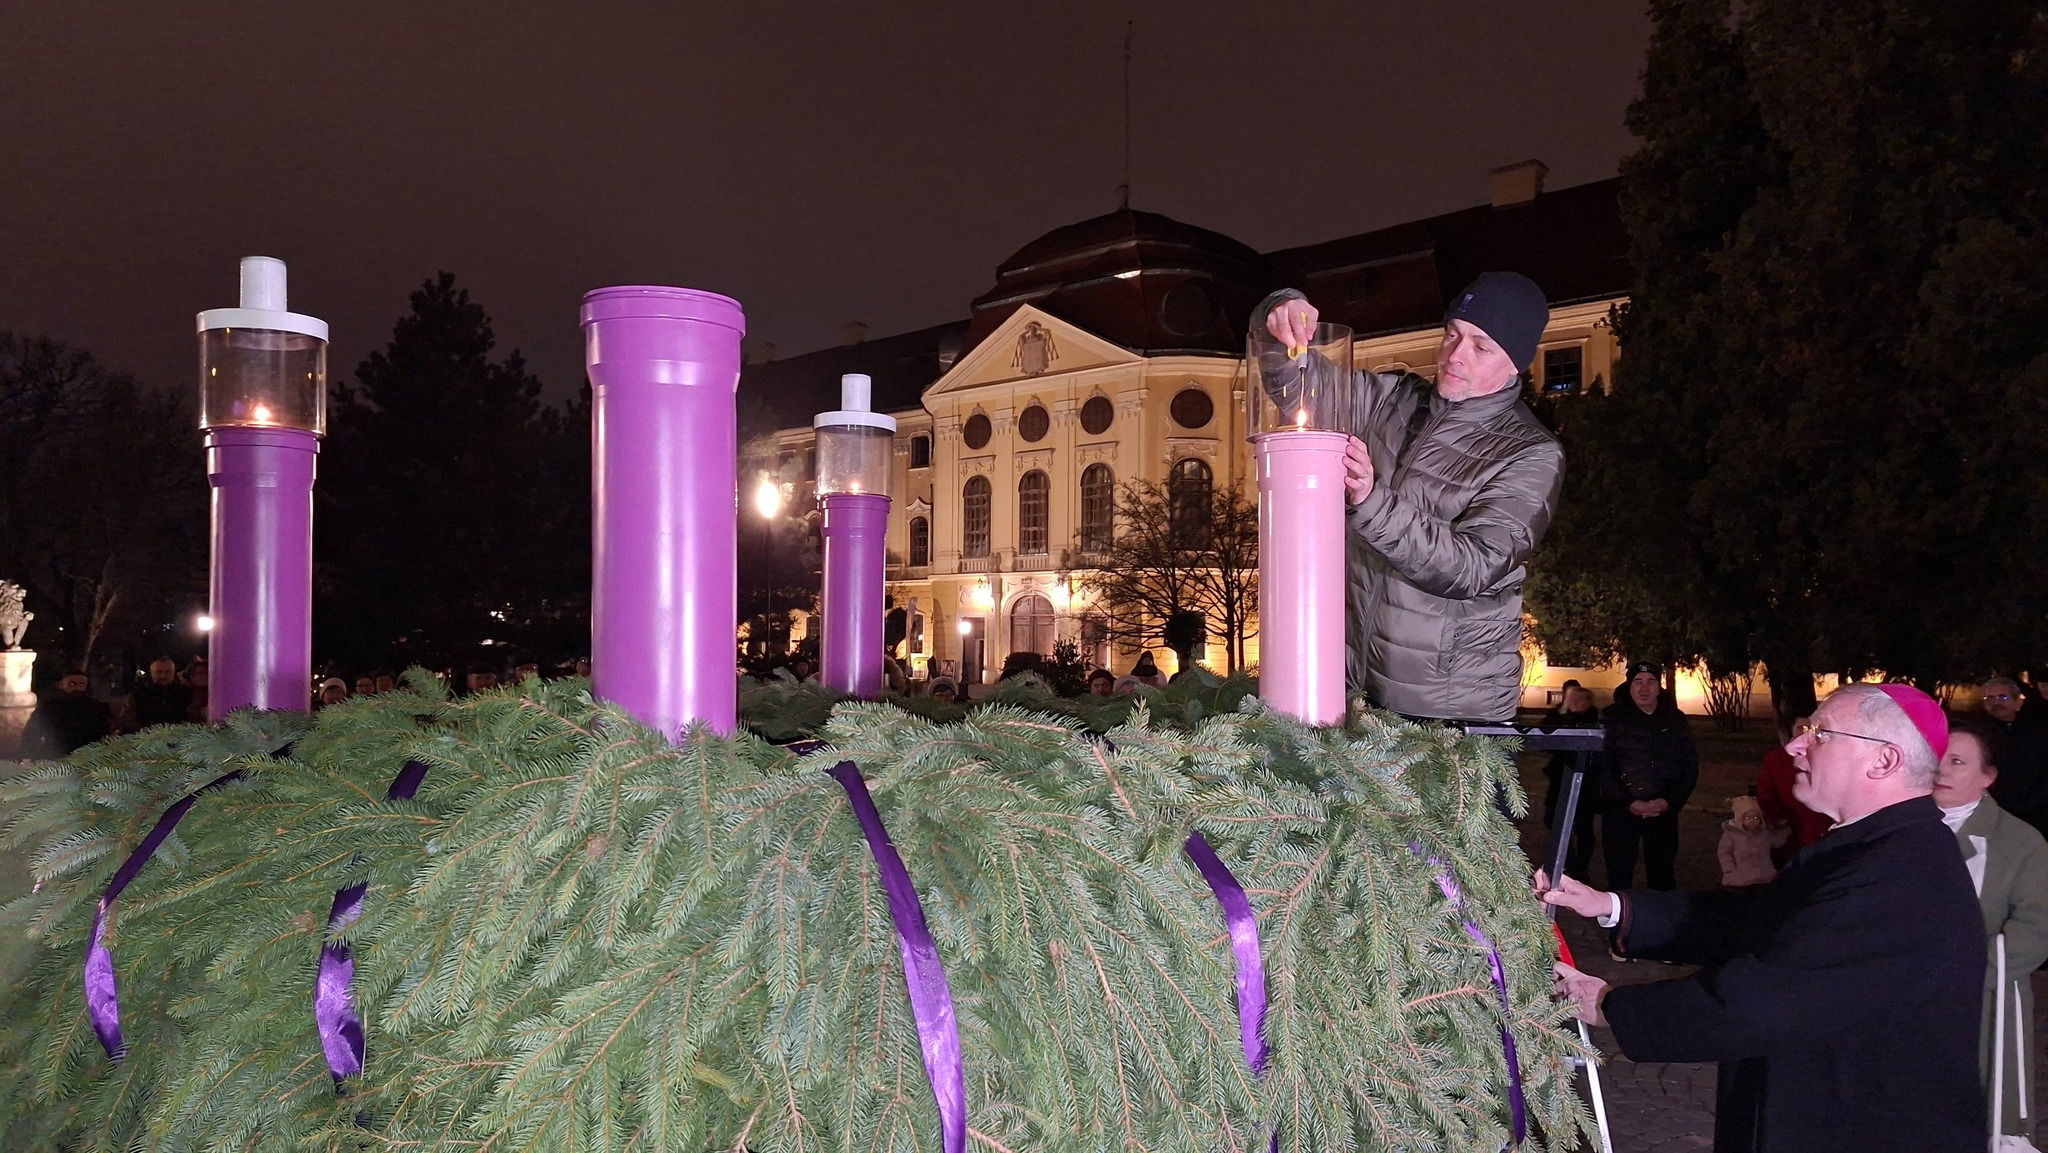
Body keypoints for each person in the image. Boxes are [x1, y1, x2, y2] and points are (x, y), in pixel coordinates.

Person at [1544, 683, 1986, 1153]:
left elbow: (1763, 1002)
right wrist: (1610, 905)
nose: (1795, 745)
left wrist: (1610, 1005)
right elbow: (1755, 921)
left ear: (1883, 760)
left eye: (1820, 733)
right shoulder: (1874, 845)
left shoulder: (1900, 871)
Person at [1256, 273, 1563, 722]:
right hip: (1355, 682)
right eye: (1453, 334)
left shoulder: (1530, 452)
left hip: (1447, 706)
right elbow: (1300, 386)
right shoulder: (1393, 399)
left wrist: (1371, 500)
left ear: (1514, 363)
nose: (1455, 355)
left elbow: (1471, 567)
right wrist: (1281, 318)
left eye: (1481, 347)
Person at [1934, 715, 2048, 1143]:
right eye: (1937, 757)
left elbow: (2037, 927)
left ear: (1989, 776)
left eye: (1957, 762)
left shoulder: (2021, 843)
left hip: (1984, 1002)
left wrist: (1965, 972)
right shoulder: (1899, 831)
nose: (1941, 770)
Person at [1597, 662, 1698, 890]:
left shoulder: (1675, 719)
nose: (1644, 688)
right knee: (1619, 874)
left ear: (1659, 687)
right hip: (1621, 812)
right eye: (1638, 682)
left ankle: (1660, 912)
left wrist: (1670, 801)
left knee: (1662, 875)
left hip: (1662, 811)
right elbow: (1603, 767)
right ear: (1629, 686)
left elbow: (1689, 765)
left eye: (1650, 681)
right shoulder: (1612, 718)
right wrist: (1627, 802)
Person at [1539, 682, 1601, 878]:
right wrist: (1564, 711)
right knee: (1553, 820)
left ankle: (1581, 868)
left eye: (1579, 699)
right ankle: (1571, 862)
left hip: (1586, 782)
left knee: (1583, 827)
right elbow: (1546, 736)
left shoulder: (1593, 718)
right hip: (1560, 779)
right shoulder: (1559, 716)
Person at [1754, 714, 1828, 867]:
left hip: (1823, 833)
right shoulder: (1777, 759)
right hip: (1791, 832)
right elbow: (1766, 793)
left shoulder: (1829, 757)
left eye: (1811, 728)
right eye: (1801, 728)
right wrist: (1779, 819)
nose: (1805, 733)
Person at [1981, 676, 2048, 834]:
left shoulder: (2038, 731)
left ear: (2018, 702)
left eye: (2003, 697)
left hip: (2038, 810)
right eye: (1990, 698)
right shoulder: (1979, 734)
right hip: (1997, 811)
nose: (1996, 702)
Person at [21, 669, 113, 757]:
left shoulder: (96, 708)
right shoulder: (50, 707)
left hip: (89, 757)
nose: (77, 688)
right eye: (72, 684)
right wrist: (35, 755)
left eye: (82, 684)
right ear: (61, 685)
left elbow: (104, 735)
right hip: (56, 757)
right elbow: (31, 734)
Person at [1716, 795, 1777, 888]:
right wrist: (1729, 868)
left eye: (1756, 818)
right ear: (1740, 819)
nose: (1752, 821)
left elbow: (1775, 841)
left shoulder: (1764, 833)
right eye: (1748, 818)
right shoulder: (1732, 833)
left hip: (1764, 874)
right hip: (1740, 875)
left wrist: (1782, 829)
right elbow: (1724, 851)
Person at [130, 656, 194, 729]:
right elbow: (129, 721)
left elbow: (194, 718)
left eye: (168, 672)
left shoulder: (185, 693)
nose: (163, 675)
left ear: (173, 672)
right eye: (158, 672)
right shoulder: (138, 694)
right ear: (151, 673)